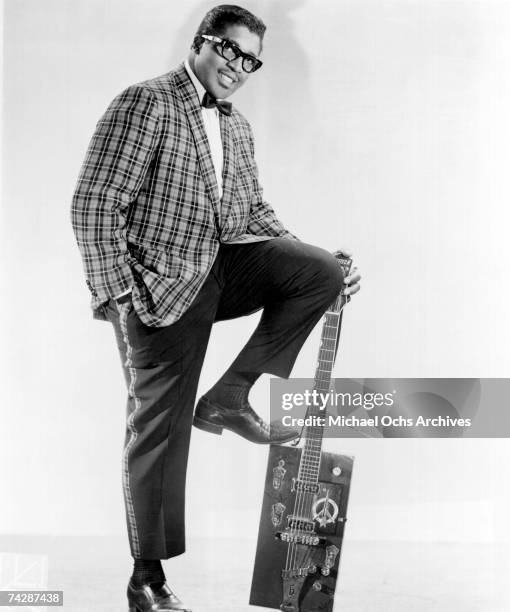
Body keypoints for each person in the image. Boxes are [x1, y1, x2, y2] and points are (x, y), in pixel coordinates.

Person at [71, 5, 360, 611]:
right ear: (202, 43)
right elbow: (94, 204)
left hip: (218, 273)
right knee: (160, 431)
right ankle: (146, 580)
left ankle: (230, 395)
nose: (237, 67)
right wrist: (120, 296)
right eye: (229, 51)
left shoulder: (237, 128)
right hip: (157, 292)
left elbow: (252, 217)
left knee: (320, 273)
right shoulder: (146, 102)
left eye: (249, 61)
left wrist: (311, 256)